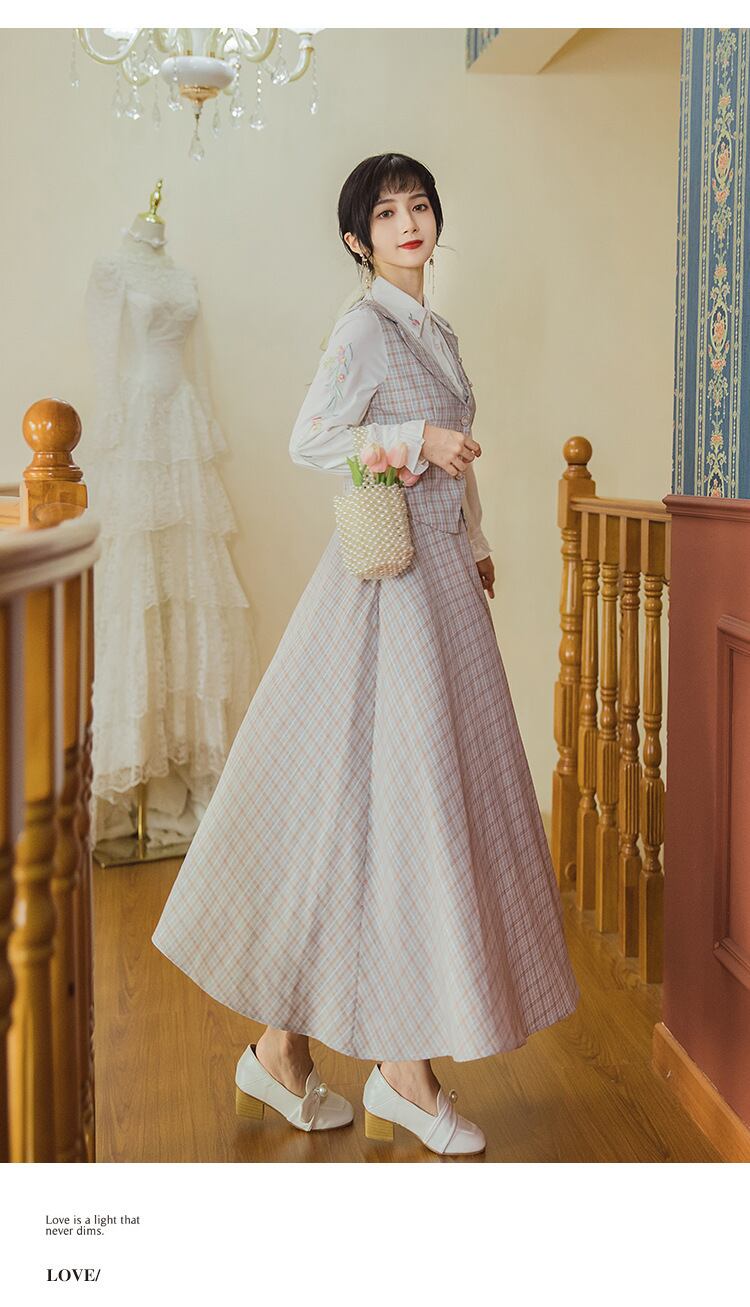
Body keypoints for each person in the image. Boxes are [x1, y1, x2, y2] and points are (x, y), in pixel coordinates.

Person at [151, 152, 580, 1158]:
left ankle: (282, 1050)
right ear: (359, 239)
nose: (407, 222)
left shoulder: (435, 330)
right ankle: (401, 1067)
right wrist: (413, 436)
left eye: (418, 205)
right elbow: (312, 439)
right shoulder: (363, 328)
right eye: (386, 213)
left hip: (442, 586)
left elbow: (455, 456)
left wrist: (476, 538)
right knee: (401, 810)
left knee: (369, 811)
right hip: (386, 596)